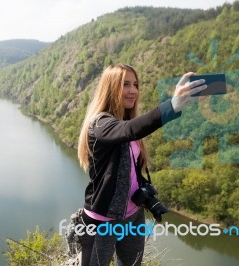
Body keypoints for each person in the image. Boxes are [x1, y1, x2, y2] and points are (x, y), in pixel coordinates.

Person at [77, 64, 206, 265]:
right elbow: (130, 130)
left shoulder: (126, 122)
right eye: (125, 84)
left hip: (133, 216)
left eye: (135, 84)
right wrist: (172, 105)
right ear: (110, 88)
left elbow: (129, 171)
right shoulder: (100, 124)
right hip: (102, 220)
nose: (133, 91)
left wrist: (146, 197)